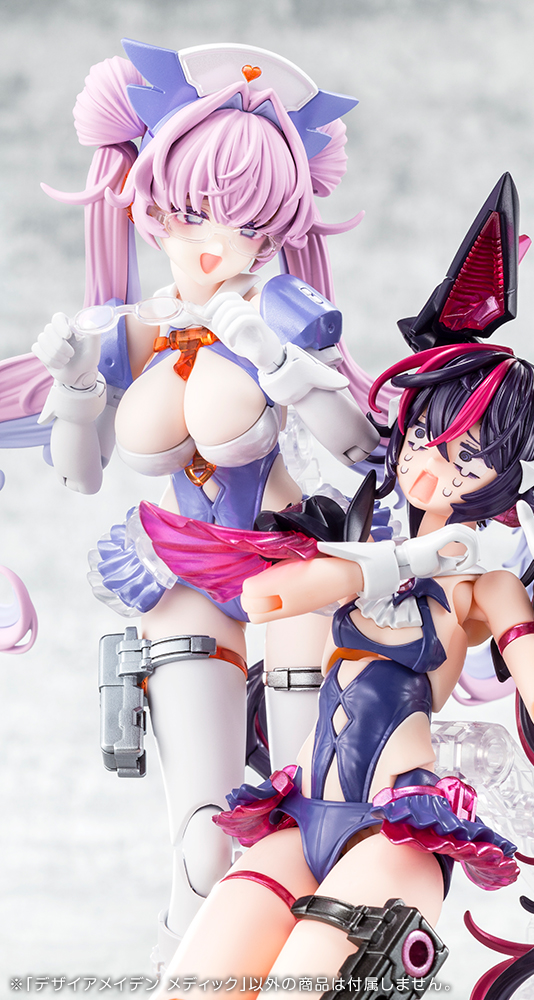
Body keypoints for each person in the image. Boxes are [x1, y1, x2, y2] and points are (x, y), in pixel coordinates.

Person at [138, 178, 534, 998]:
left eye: (464, 457)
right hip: (299, 815)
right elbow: (268, 600)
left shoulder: (488, 588)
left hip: (393, 830)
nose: (425, 464)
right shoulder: (371, 527)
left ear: (507, 476)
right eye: (422, 434)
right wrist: (398, 556)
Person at [26, 38, 382, 964]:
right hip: (180, 566)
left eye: (246, 220)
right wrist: (73, 385)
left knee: (307, 823)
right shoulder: (132, 329)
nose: (214, 240)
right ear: (147, 208)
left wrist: (276, 361)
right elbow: (80, 475)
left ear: (277, 226)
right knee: (201, 841)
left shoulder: (282, 311)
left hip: (286, 565)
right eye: (188, 213)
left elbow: (361, 447)